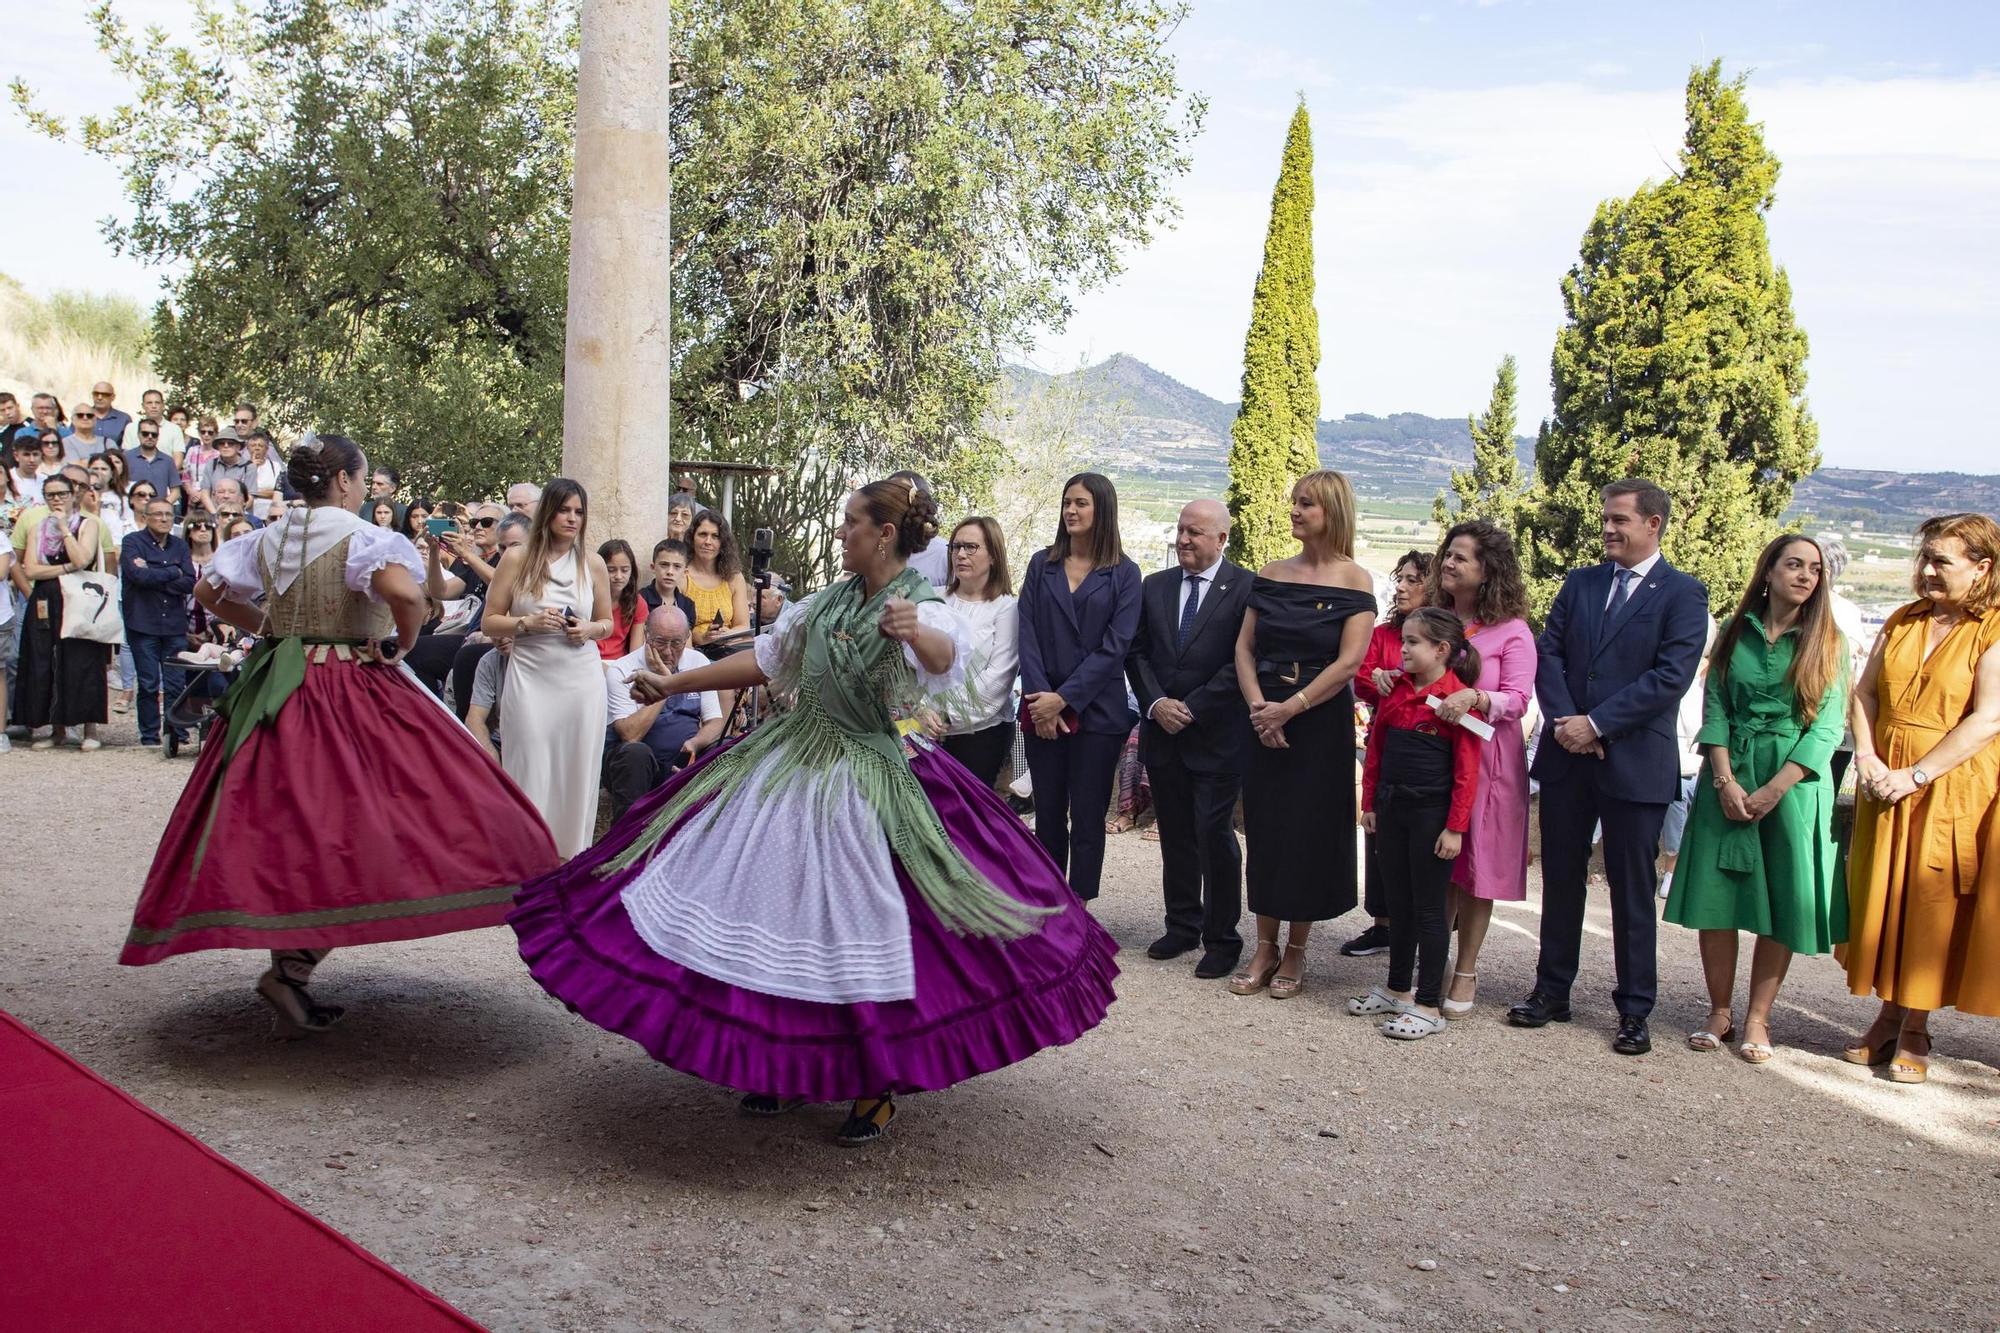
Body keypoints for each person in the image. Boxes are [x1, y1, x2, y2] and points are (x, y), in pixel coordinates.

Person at [507, 478, 1119, 1145]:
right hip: (793, 757)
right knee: (772, 907)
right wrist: (675, 679)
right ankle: (783, 1062)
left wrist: (918, 634)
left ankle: (873, 1077)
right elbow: (765, 664)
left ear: (885, 534)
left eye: (851, 522)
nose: (841, 533)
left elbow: (944, 656)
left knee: (859, 920)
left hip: (867, 770)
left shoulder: (920, 603)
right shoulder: (825, 602)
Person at [120, 433, 561, 1034]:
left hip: (276, 688)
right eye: (360, 478)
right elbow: (406, 593)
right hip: (347, 686)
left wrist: (275, 629)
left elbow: (209, 592)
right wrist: (403, 642)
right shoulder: (365, 538)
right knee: (390, 811)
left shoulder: (269, 537)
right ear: (348, 482)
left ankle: (291, 972)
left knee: (293, 827)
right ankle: (292, 971)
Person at [1510, 478, 1709, 1056]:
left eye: (1620, 519)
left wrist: (1596, 725)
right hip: (1569, 759)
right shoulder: (1582, 583)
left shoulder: (1683, 594)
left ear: (1654, 523)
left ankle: (1634, 1009)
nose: (1607, 528)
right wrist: (1568, 721)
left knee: (1631, 889)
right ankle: (1551, 991)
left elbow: (1669, 678)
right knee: (1562, 881)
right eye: (1605, 517)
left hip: (1635, 765)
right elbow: (1549, 652)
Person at [1663, 534, 1848, 1063]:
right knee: (1717, 900)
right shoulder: (1733, 635)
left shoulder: (1828, 643)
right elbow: (1716, 708)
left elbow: (1826, 728)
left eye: (1815, 569)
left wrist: (1774, 789)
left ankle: (1758, 1019)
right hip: (1730, 774)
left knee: (1783, 903)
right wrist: (1723, 780)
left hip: (1793, 787)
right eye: (1794, 564)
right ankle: (1718, 1011)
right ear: (1768, 572)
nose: (1806, 576)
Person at [1842, 513, 2000, 1083]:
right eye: (1925, 558)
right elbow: (1862, 693)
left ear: (1982, 568)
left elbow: (1989, 717)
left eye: (1943, 561)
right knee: (1885, 897)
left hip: (1951, 783)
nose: (1928, 570)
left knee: (1932, 902)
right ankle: (1888, 1014)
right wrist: (1867, 759)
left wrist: (1917, 774)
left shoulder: (1993, 628)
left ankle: (1914, 1026)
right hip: (1885, 776)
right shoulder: (1902, 619)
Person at [1228, 470, 1377, 999]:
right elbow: (1244, 649)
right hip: (1262, 715)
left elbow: (1349, 663)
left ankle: (1296, 950)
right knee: (1267, 831)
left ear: (1331, 512)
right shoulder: (1270, 572)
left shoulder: (1356, 580)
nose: (1294, 510)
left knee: (1309, 833)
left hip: (1315, 723)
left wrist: (1288, 710)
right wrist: (1258, 709)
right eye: (1294, 501)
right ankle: (1264, 947)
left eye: (1306, 504)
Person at [1125, 498, 1253, 979]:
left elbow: (1242, 661)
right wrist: (1157, 704)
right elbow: (1136, 654)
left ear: (1221, 539)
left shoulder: (1245, 587)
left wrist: (1194, 707)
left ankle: (1223, 939)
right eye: (1180, 530)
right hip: (1163, 733)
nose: (1182, 539)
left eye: (1194, 532)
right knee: (1175, 833)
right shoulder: (1154, 586)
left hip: (1217, 735)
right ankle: (1182, 925)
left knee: (1214, 835)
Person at [1351, 608, 1484, 1040]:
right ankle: (1396, 989)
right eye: (1402, 640)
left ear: (1441, 650)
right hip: (1391, 810)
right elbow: (1377, 751)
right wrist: (1370, 802)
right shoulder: (1396, 690)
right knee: (1398, 903)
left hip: (1431, 817)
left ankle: (1429, 1003)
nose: (1402, 648)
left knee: (1430, 910)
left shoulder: (1457, 700)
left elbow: (1467, 772)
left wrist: (1455, 827)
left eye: (1412, 642)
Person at [1423, 520, 1538, 1018]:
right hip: (1435, 757)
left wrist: (1477, 696)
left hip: (1490, 763)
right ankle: (1433, 963)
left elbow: (1518, 698)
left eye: (1461, 557)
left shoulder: (1512, 632)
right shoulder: (1431, 620)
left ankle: (1465, 969)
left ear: (1488, 570)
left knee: (1477, 869)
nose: (1449, 563)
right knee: (1438, 866)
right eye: (1448, 554)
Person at [1017, 472, 1143, 902]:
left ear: (1102, 509)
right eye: (1067, 502)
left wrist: (1064, 700)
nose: (1071, 510)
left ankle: (1081, 905)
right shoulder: (1041, 564)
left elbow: (1116, 646)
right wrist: (1041, 702)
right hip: (1041, 710)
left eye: (1081, 503)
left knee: (1088, 818)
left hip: (1097, 715)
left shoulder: (1126, 574)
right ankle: (1051, 901)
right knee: (1048, 814)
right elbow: (1027, 634)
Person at [481, 478, 613, 858]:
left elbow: (607, 623)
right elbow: (490, 620)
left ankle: (569, 860)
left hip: (580, 680)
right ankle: (524, 856)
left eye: (579, 512)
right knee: (529, 764)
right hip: (530, 677)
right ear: (548, 513)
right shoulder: (517, 558)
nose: (572, 519)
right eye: (564, 510)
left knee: (577, 771)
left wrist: (589, 629)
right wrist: (525, 624)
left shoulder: (593, 564)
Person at [1345, 549, 1431, 959]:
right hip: (1385, 742)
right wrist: (1387, 680)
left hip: (1430, 749)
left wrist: (1393, 678)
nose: (1401, 587)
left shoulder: (1445, 636)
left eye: (1414, 580)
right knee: (1377, 828)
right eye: (1401, 577)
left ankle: (1425, 929)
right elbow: (1362, 681)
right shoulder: (1383, 634)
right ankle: (1382, 924)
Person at [11, 469, 111, 750]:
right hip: (46, 599)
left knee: (83, 657)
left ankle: (89, 728)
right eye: (51, 495)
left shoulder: (88, 525)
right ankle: (57, 729)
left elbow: (82, 558)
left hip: (80, 598)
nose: (56, 500)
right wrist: (64, 568)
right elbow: (30, 568)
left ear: (73, 495)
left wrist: (64, 528)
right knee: (47, 658)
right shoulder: (36, 528)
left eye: (62, 494)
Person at [601, 605, 725, 820]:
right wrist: (665, 685)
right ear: (647, 636)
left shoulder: (698, 662)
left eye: (676, 643)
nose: (668, 651)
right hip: (640, 764)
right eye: (660, 642)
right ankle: (627, 835)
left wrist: (695, 744)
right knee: (634, 753)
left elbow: (714, 721)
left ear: (687, 637)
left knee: (726, 747)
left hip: (685, 757)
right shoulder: (622, 669)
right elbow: (630, 735)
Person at [936, 517, 1020, 788]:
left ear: (993, 555)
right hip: (927, 727)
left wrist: (949, 715)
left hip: (981, 735)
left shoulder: (1006, 608)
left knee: (967, 820)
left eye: (971, 547)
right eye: (956, 546)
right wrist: (925, 712)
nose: (960, 554)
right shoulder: (934, 600)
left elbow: (999, 676)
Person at [120, 496, 196, 748]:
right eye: (157, 514)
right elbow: (137, 576)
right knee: (149, 682)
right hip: (143, 622)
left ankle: (176, 732)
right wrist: (171, 572)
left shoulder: (179, 546)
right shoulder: (133, 542)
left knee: (176, 682)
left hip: (173, 624)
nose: (164, 519)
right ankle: (150, 735)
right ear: (145, 517)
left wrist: (155, 573)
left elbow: (189, 581)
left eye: (168, 514)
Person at [684, 508, 750, 646]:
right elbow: (676, 626)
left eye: (715, 536)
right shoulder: (682, 575)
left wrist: (724, 634)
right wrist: (701, 637)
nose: (708, 541)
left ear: (723, 542)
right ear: (692, 538)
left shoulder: (734, 577)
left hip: (727, 650)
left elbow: (743, 625)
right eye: (703, 534)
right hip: (691, 651)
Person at [597, 538, 648, 660]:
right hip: (589, 661)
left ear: (632, 571)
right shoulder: (588, 598)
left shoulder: (637, 602)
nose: (618, 576)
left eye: (625, 570)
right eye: (611, 570)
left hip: (619, 664)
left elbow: (635, 651)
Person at [638, 537, 699, 626]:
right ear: (653, 567)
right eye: (664, 565)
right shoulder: (640, 599)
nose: (670, 572)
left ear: (685, 572)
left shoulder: (687, 605)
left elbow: (687, 638)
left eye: (677, 566)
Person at [120, 389, 186, 459]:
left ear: (163, 405)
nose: (154, 406)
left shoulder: (175, 429)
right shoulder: (131, 428)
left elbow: (178, 459)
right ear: (143, 406)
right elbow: (126, 456)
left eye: (157, 403)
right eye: (149, 403)